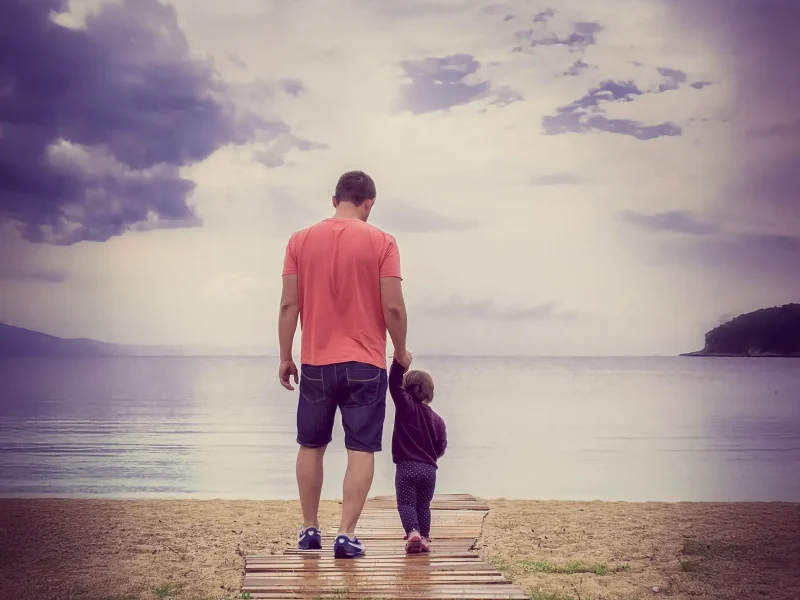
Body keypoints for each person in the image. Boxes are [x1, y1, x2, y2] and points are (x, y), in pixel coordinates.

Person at [277, 170, 412, 559]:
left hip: (316, 361)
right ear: (369, 202)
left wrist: (286, 356)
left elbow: (288, 305)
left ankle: (309, 529)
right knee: (361, 449)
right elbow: (393, 307)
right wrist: (401, 351)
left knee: (311, 445)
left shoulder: (299, 240)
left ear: (335, 200)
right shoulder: (383, 241)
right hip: (366, 362)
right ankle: (346, 535)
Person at [388, 354, 447, 554]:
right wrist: (430, 456)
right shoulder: (438, 420)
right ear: (430, 392)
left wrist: (399, 362)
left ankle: (412, 532)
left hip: (406, 467)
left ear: (406, 390)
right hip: (429, 469)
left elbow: (393, 384)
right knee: (423, 506)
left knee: (406, 503)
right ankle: (424, 539)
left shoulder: (406, 408)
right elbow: (441, 446)